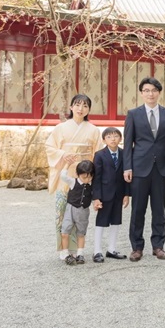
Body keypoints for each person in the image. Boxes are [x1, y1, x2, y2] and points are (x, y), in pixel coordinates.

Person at [123, 77, 165, 262]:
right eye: (146, 90)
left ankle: (158, 246)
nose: (150, 94)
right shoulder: (133, 114)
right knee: (138, 209)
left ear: (159, 92)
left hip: (161, 168)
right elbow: (128, 142)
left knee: (159, 209)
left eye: (153, 90)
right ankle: (137, 247)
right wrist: (127, 166)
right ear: (141, 93)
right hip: (139, 168)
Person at [45, 94, 102, 260]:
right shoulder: (61, 128)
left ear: (88, 110)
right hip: (66, 174)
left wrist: (92, 176)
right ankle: (63, 249)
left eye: (85, 105)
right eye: (77, 104)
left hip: (84, 177)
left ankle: (78, 250)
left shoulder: (93, 130)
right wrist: (63, 154)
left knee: (80, 213)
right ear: (71, 107)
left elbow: (97, 155)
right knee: (62, 213)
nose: (80, 108)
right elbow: (49, 147)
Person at [91, 127, 130, 263]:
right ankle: (97, 251)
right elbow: (96, 177)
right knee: (101, 222)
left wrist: (126, 194)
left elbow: (127, 174)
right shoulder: (100, 155)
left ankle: (112, 249)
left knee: (116, 221)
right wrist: (96, 197)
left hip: (119, 193)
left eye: (115, 136)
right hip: (104, 193)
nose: (113, 139)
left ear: (120, 138)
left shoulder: (124, 153)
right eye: (109, 137)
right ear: (104, 140)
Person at [59, 160, 95, 265]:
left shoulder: (92, 184)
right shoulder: (73, 182)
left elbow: (93, 197)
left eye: (89, 177)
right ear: (78, 175)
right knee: (65, 231)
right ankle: (65, 253)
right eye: (84, 177)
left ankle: (80, 254)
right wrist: (67, 164)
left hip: (84, 210)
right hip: (70, 209)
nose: (87, 179)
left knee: (81, 233)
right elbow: (62, 176)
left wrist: (95, 204)